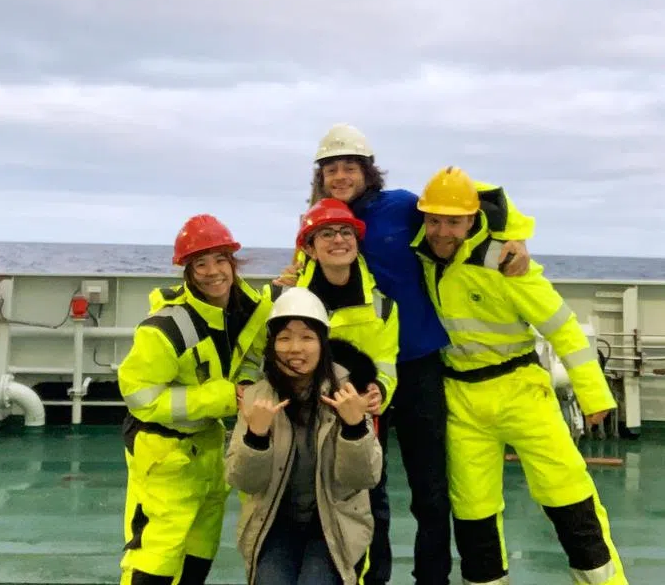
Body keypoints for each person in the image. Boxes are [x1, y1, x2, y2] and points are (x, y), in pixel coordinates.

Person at [284, 122, 536, 585]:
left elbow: (467, 204)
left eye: (349, 166)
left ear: (367, 170)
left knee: (431, 489)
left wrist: (511, 237)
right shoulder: (323, 222)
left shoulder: (400, 205)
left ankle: (432, 578)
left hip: (418, 363)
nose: (340, 176)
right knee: (364, 488)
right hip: (357, 375)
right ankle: (372, 577)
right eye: (331, 169)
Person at [411, 166, 627, 585]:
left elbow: (562, 327)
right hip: (461, 398)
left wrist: (594, 395)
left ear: (472, 220)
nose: (441, 231)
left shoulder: (506, 265)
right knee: (473, 510)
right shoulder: (418, 256)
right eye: (433, 220)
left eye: (453, 221)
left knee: (567, 496)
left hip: (521, 390)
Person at [117, 214, 274, 585]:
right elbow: (140, 398)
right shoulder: (164, 329)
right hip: (162, 453)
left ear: (233, 264)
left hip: (208, 447)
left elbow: (251, 355)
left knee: (200, 549)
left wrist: (247, 385)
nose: (212, 271)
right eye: (200, 263)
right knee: (156, 554)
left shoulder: (248, 311)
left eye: (220, 260)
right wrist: (223, 396)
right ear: (187, 272)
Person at [226, 286, 383, 585]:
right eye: (284, 338)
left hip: (334, 524)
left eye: (307, 337)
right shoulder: (257, 397)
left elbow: (363, 479)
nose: (295, 348)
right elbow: (244, 482)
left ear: (323, 344)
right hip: (274, 523)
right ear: (272, 346)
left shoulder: (348, 393)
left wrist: (354, 428)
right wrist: (256, 438)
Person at [277, 196, 399, 577]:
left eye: (345, 232)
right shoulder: (284, 297)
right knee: (302, 509)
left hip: (357, 425)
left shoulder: (381, 305)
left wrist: (380, 389)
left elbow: (386, 362)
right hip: (299, 425)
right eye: (325, 234)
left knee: (369, 511)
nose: (338, 240)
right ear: (309, 247)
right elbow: (260, 355)